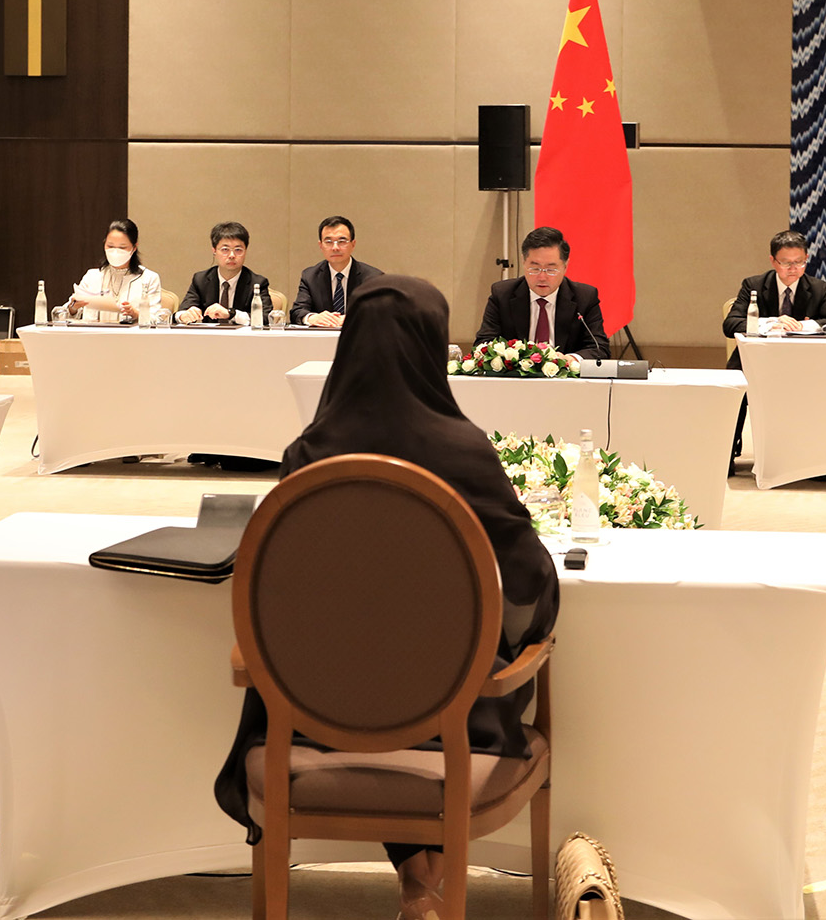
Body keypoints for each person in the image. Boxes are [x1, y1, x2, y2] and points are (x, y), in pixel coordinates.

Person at [212, 275, 559, 920]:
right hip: (455, 717)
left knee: (373, 669)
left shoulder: (309, 453)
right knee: (464, 664)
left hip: (315, 711)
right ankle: (424, 885)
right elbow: (528, 579)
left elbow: (283, 588)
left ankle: (417, 883)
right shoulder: (461, 452)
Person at [721, 229, 826, 369]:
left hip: (803, 360)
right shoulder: (754, 285)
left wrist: (802, 326)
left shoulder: (817, 288)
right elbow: (731, 325)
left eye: (799, 262)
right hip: (757, 359)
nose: (793, 269)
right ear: (773, 261)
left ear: (806, 258)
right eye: (785, 263)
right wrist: (771, 323)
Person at [474, 225, 607, 360]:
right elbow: (483, 343)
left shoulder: (584, 297)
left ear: (565, 266)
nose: (542, 277)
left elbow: (599, 348)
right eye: (534, 268)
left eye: (551, 270)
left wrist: (570, 360)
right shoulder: (502, 294)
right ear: (524, 262)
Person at [290, 215, 382, 328]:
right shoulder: (310, 276)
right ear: (320, 245)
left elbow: (381, 312)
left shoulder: (373, 278)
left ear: (353, 244)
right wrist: (312, 317)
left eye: (341, 241)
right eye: (328, 242)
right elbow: (297, 311)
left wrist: (353, 318)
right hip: (321, 338)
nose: (335, 248)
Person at [67, 219, 163, 323]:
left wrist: (136, 314)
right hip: (94, 332)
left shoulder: (149, 278)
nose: (115, 252)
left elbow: (158, 320)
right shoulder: (92, 276)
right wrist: (73, 308)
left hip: (130, 333)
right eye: (110, 246)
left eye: (122, 247)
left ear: (134, 248)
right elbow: (62, 314)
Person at [176, 222, 271, 324]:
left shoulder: (257, 283)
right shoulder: (201, 280)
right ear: (214, 251)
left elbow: (266, 318)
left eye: (238, 250)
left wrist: (231, 314)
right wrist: (183, 316)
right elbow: (181, 312)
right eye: (225, 249)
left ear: (245, 251)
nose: (232, 255)